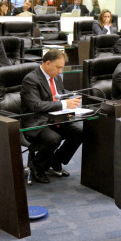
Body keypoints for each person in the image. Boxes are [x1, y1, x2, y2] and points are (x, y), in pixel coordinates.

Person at [20, 50, 83, 184]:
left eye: (62, 67)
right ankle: (37, 167)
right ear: (47, 63)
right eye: (58, 67)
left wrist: (71, 101)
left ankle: (56, 160)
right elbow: (35, 106)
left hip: (56, 117)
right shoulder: (31, 79)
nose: (60, 71)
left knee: (80, 132)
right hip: (36, 120)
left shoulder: (56, 77)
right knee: (54, 138)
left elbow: (59, 96)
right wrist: (64, 104)